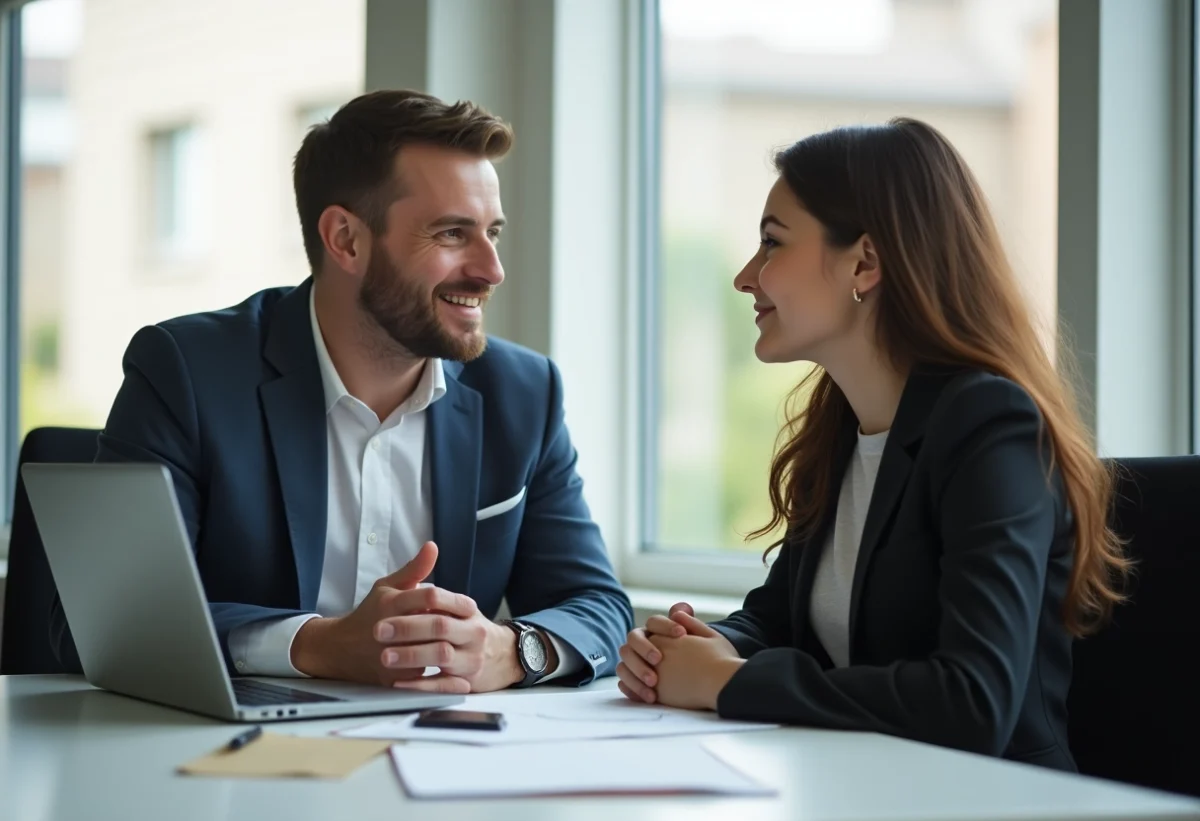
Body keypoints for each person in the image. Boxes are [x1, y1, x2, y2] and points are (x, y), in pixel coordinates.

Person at [50, 89, 632, 693]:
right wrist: (317, 645)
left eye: (494, 232)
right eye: (453, 234)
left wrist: (512, 651)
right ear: (346, 239)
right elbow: (97, 624)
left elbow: (597, 606)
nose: (491, 269)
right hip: (228, 760)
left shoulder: (523, 392)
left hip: (442, 755)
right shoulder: (188, 371)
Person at [616, 118, 1128, 771]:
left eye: (771, 244)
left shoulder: (989, 425)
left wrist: (725, 681)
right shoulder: (840, 425)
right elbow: (780, 619)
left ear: (864, 261)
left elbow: (973, 702)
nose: (746, 277)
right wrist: (695, 645)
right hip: (865, 788)